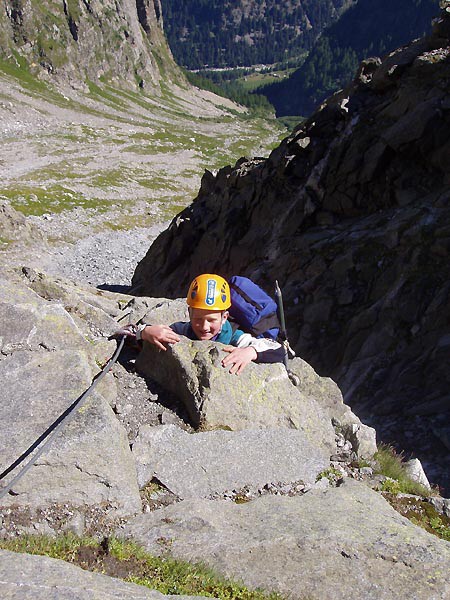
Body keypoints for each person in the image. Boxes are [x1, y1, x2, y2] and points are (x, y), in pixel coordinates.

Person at [135, 274, 284, 375]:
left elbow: (280, 350)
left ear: (224, 317)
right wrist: (145, 331)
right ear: (189, 313)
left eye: (212, 320)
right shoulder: (181, 330)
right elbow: (129, 334)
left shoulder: (234, 335)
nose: (204, 327)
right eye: (198, 319)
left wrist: (251, 351)